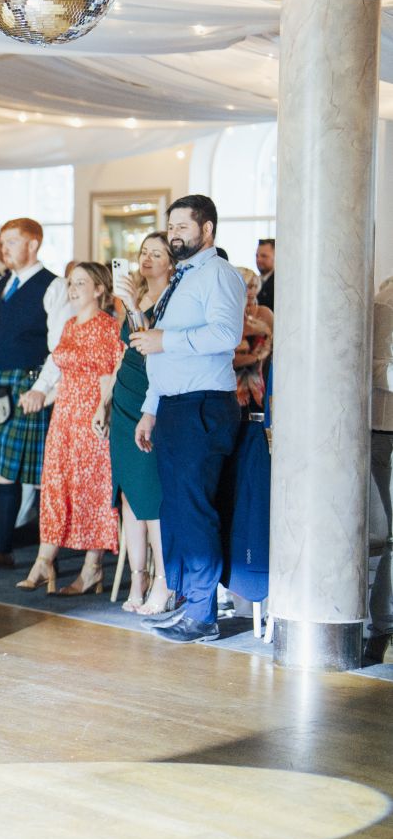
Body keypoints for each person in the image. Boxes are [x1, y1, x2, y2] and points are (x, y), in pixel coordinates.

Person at [131, 195, 246, 644]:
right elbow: (160, 352)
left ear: (207, 229)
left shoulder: (219, 274)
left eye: (183, 226)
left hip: (203, 404)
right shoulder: (183, 277)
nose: (174, 234)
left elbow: (226, 334)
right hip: (174, 405)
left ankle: (202, 615)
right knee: (176, 507)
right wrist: (150, 408)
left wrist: (167, 340)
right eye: (171, 226)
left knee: (194, 508)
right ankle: (186, 603)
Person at [0, 218, 67, 571]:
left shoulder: (54, 286)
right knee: (3, 470)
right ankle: (1, 549)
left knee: (40, 474)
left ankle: (48, 557)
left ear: (33, 244)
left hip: (29, 386)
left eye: (11, 241)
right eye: (2, 242)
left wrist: (41, 389)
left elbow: (60, 348)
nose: (3, 248)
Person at [15, 263, 124, 593]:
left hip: (91, 418)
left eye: (80, 283)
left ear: (99, 289)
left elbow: (110, 375)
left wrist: (103, 411)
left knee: (92, 490)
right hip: (63, 417)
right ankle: (44, 560)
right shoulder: (69, 325)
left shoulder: (107, 327)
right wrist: (40, 397)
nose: (72, 289)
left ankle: (92, 568)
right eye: (71, 283)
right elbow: (65, 378)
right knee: (55, 486)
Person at [94, 232, 171, 613]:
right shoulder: (136, 296)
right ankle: (136, 576)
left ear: (172, 261)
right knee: (127, 493)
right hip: (123, 398)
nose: (147, 258)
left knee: (150, 495)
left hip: (150, 399)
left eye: (157, 253)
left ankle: (163, 579)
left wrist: (133, 307)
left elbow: (151, 348)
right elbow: (125, 353)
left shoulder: (172, 299)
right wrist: (103, 402)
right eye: (144, 252)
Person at [368, 276, 393, 665]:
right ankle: (381, 624)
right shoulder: (383, 304)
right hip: (381, 429)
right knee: (382, 533)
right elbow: (371, 367)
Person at [233, 268, 273, 409]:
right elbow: (231, 359)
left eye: (255, 286)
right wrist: (256, 357)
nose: (252, 291)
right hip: (233, 385)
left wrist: (266, 332)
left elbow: (276, 346)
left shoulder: (265, 313)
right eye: (248, 286)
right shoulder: (230, 315)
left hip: (261, 381)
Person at [255, 238, 275, 311]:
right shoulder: (254, 280)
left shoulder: (279, 283)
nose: (258, 259)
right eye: (257, 256)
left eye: (264, 256)